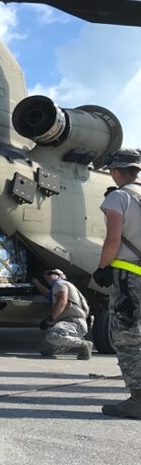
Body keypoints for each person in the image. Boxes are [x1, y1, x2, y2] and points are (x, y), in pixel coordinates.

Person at [95, 147, 141, 419]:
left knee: (127, 336)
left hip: (127, 276)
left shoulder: (119, 198)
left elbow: (113, 240)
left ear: (114, 171)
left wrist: (102, 268)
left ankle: (138, 399)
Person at [32, 269, 92, 360]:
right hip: (71, 323)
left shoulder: (60, 284)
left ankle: (84, 345)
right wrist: (36, 282)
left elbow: (62, 302)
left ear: (59, 275)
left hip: (74, 322)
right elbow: (48, 294)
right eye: (46, 276)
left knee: (52, 336)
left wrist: (49, 319)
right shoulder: (58, 287)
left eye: (50, 274)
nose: (47, 277)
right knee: (45, 350)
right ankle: (74, 339)